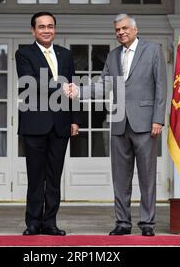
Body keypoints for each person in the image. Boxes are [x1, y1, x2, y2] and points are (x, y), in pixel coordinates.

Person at [67, 14, 167, 236]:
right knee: (120, 177)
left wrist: (158, 119)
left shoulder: (153, 51)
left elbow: (161, 86)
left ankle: (147, 224)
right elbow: (104, 86)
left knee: (147, 177)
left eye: (124, 28)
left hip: (145, 123)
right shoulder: (112, 56)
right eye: (117, 30)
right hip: (118, 122)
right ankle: (122, 222)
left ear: (135, 29)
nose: (121, 32)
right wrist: (79, 91)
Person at [15, 12, 80, 236]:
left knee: (54, 176)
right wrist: (59, 88)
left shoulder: (66, 55)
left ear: (55, 29)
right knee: (35, 176)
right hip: (34, 124)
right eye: (41, 27)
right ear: (33, 31)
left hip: (61, 125)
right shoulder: (24, 54)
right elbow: (29, 83)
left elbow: (73, 89)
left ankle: (50, 222)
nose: (46, 30)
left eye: (50, 26)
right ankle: (33, 222)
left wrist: (75, 119)